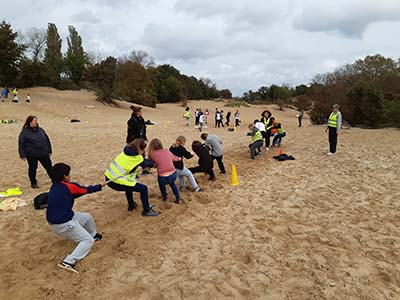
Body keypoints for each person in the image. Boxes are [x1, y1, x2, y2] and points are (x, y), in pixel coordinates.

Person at [46, 163, 105, 273]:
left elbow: (75, 193)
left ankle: (93, 234)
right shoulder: (68, 186)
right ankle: (68, 262)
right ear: (65, 176)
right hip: (62, 223)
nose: (70, 176)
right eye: (68, 174)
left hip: (60, 218)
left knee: (87, 217)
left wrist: (98, 187)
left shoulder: (55, 186)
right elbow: (84, 190)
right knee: (87, 241)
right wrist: (99, 186)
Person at [105, 138, 160, 216]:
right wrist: (159, 161)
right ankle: (147, 211)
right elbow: (148, 163)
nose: (145, 151)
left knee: (129, 185)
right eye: (144, 149)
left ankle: (131, 205)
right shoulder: (137, 158)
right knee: (143, 189)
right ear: (140, 149)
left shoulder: (127, 151)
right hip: (115, 181)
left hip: (109, 177)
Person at [18, 115, 53, 188]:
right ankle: (33, 183)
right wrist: (22, 154)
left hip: (43, 152)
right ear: (30, 122)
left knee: (49, 167)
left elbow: (47, 140)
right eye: (34, 120)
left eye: (36, 120)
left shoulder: (40, 130)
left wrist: (49, 150)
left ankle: (55, 181)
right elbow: (21, 144)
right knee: (33, 168)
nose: (36, 122)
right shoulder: (24, 132)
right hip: (32, 154)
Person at [148, 138, 182, 204]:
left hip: (162, 177)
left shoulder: (152, 154)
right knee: (172, 184)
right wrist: (179, 158)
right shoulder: (166, 151)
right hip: (173, 174)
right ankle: (178, 198)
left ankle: (165, 198)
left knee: (161, 185)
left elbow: (153, 164)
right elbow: (175, 158)